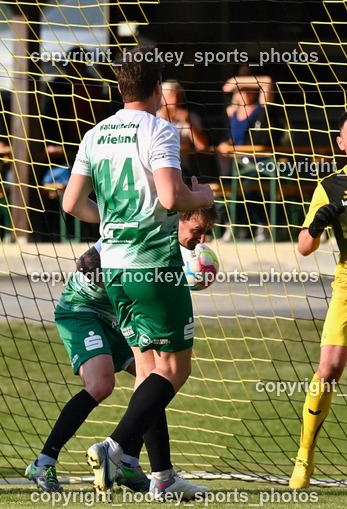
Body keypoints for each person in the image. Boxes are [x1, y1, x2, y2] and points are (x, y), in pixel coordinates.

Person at [63, 45, 216, 501]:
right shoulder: (160, 130)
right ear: (156, 91)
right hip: (154, 267)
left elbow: (71, 204)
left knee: (148, 368)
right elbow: (172, 198)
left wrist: (115, 223)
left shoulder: (95, 134)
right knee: (175, 368)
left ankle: (162, 477)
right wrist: (202, 195)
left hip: (112, 268)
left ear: (118, 89)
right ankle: (115, 447)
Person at [25, 208, 216, 493]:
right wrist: (138, 285)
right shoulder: (141, 233)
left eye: (206, 233)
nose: (201, 239)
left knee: (154, 377)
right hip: (82, 310)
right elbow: (85, 264)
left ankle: (129, 463)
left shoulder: (176, 247)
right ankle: (43, 462)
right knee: (101, 384)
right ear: (178, 220)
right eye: (196, 230)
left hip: (117, 317)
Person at [288, 110, 347, 489]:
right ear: (341, 143)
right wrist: (318, 222)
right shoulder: (329, 186)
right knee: (327, 371)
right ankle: (304, 457)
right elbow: (304, 247)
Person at [218, 70, 275, 241]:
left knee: (249, 186)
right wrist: (226, 144)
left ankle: (262, 226)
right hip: (236, 164)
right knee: (223, 187)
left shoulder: (261, 110)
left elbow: (267, 81)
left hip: (259, 163)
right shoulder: (231, 112)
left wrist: (235, 80)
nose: (245, 93)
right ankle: (234, 226)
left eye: (248, 89)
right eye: (241, 90)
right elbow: (230, 138)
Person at [158, 80, 211, 178]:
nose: (175, 100)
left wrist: (188, 122)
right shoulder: (154, 118)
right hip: (157, 169)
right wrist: (163, 120)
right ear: (161, 98)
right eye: (171, 96)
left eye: (178, 96)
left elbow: (202, 146)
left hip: (182, 171)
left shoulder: (191, 117)